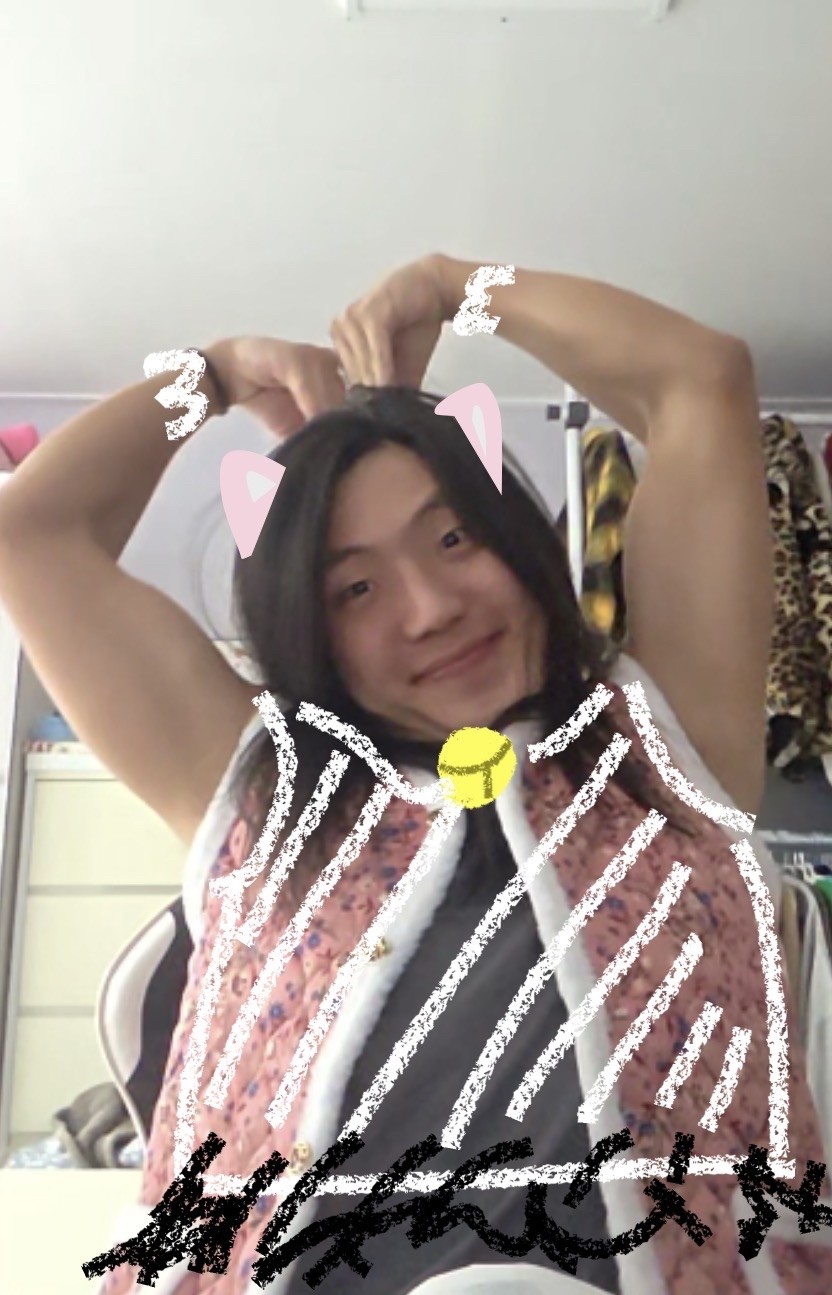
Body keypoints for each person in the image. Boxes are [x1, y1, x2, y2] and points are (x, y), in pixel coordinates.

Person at [0, 253, 828, 1295]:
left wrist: (458, 286)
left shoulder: (661, 742)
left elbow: (699, 379)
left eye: (454, 536)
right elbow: (30, 532)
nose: (431, 607)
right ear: (309, 629)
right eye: (355, 588)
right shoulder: (263, 789)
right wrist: (211, 373)